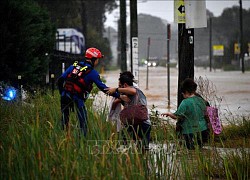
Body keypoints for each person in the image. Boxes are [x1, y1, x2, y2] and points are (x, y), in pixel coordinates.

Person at [57, 47, 118, 136]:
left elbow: (60, 80)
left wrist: (62, 93)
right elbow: (104, 89)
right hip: (78, 99)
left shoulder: (73, 66)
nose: (98, 61)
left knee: (64, 121)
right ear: (94, 59)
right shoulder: (92, 73)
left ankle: (62, 138)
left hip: (65, 97)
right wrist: (118, 95)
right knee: (83, 122)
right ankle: (82, 140)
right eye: (98, 59)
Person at [106, 71, 151, 151]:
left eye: (121, 86)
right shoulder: (125, 96)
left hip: (143, 124)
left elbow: (133, 91)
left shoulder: (136, 90)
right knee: (121, 141)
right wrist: (116, 99)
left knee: (143, 149)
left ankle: (143, 162)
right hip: (133, 124)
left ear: (125, 85)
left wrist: (116, 89)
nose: (119, 88)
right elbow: (116, 103)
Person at [161, 78, 209, 150]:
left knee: (190, 152)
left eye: (183, 92)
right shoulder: (201, 100)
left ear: (186, 91)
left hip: (190, 132)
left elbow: (176, 116)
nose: (182, 94)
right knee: (199, 152)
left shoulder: (185, 102)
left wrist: (169, 113)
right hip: (203, 130)